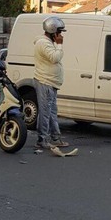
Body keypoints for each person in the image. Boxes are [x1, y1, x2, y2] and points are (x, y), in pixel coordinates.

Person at [34, 17, 69, 152]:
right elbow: (55, 58)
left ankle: (55, 137)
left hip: (51, 82)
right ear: (53, 31)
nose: (61, 36)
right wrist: (60, 45)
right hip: (45, 81)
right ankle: (41, 140)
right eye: (59, 32)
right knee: (45, 112)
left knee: (52, 112)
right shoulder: (43, 43)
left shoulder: (47, 42)